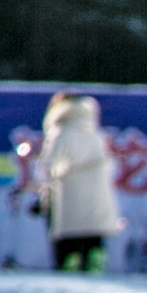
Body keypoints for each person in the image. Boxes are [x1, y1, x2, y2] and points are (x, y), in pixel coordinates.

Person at [40, 92, 121, 272]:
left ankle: (69, 267)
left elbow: (48, 165)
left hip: (70, 193)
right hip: (97, 194)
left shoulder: (61, 131)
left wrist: (48, 181)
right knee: (93, 234)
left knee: (70, 236)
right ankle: (95, 264)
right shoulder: (95, 131)